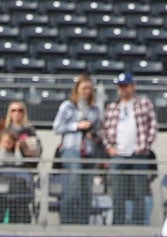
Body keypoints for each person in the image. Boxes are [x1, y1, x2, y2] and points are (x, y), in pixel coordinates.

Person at [102, 71, 158, 226]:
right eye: (120, 87)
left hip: (138, 154)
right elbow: (104, 130)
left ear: (132, 86)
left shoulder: (144, 103)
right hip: (118, 155)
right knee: (118, 193)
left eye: (125, 86)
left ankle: (138, 224)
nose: (123, 90)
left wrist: (144, 145)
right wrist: (109, 148)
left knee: (139, 192)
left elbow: (152, 125)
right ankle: (118, 224)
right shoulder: (112, 107)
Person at [53, 74, 102, 225]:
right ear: (77, 89)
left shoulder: (95, 110)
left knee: (86, 190)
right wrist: (76, 126)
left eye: (89, 88)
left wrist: (94, 134)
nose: (87, 91)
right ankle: (67, 222)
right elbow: (57, 127)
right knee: (73, 187)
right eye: (84, 88)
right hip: (72, 149)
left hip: (89, 152)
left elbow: (99, 131)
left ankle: (83, 222)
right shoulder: (68, 106)